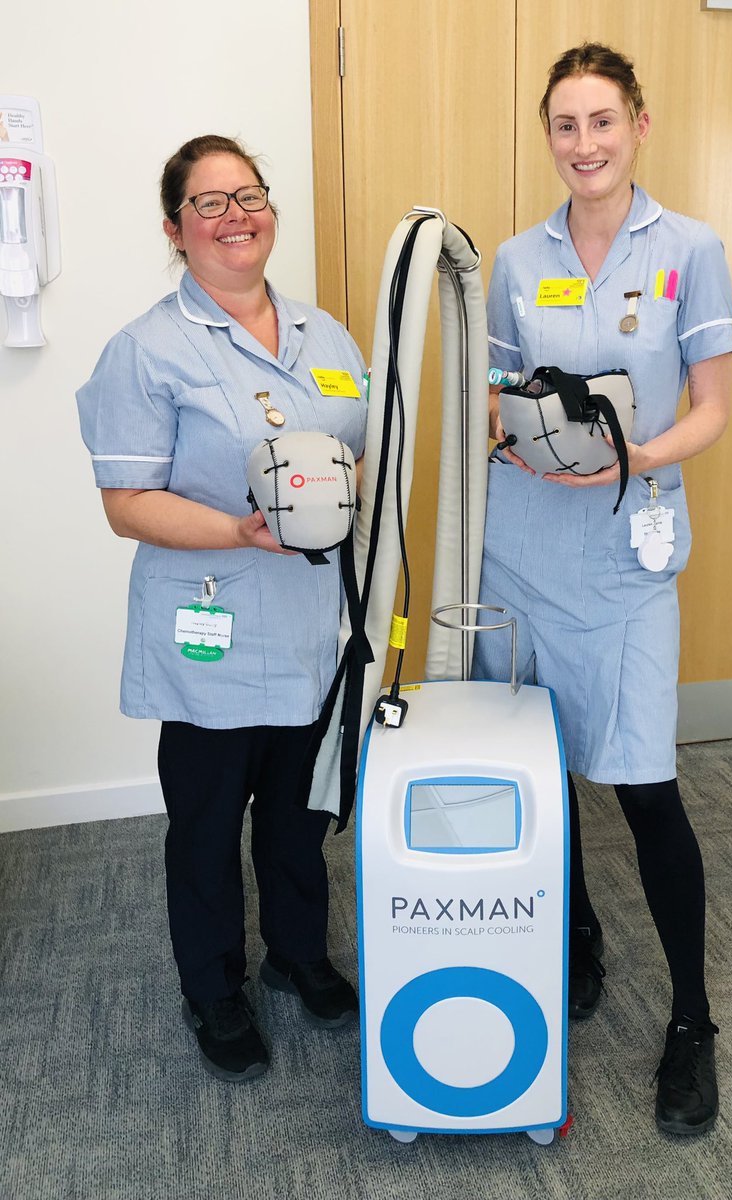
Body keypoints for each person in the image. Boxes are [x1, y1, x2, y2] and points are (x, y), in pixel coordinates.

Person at [473, 44, 732, 1135]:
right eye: (563, 126)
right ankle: (575, 934)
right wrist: (519, 434)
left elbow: (710, 409)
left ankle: (691, 1023)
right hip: (524, 551)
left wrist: (625, 459)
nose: (582, 145)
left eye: (600, 122)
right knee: (539, 767)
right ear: (548, 137)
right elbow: (492, 396)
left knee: (638, 783)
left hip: (624, 558)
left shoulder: (687, 250)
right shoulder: (513, 258)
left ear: (637, 125)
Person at [77, 135, 367, 1083]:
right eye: (209, 203)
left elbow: (362, 457)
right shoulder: (148, 349)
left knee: (296, 812)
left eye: (249, 196)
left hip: (312, 625)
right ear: (175, 229)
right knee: (205, 827)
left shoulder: (328, 338)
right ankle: (214, 987)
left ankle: (296, 953)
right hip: (212, 630)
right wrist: (239, 533)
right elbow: (128, 504)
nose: (236, 217)